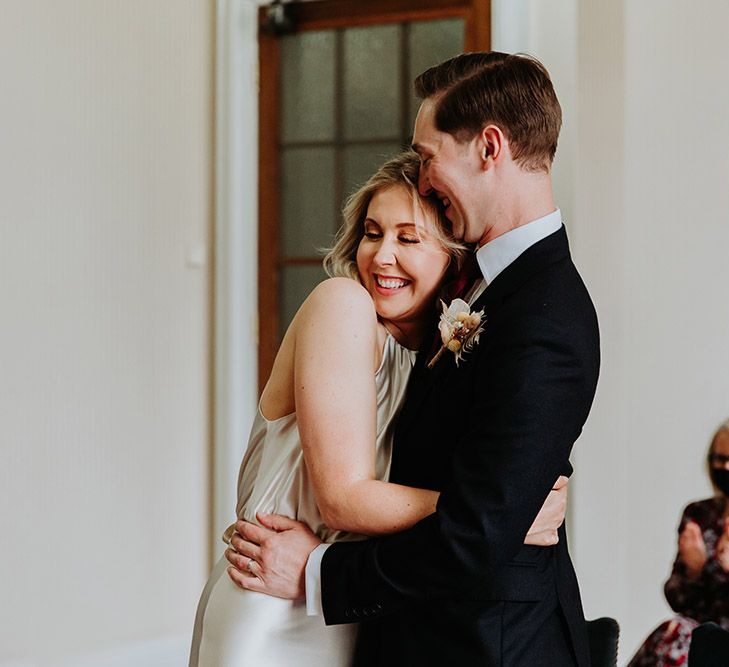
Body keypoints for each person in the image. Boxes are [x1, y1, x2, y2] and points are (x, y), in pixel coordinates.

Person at [227, 51, 600, 666]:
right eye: (377, 233)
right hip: (390, 626)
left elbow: (475, 536)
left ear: (489, 147)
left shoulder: (546, 313)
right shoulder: (467, 289)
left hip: (489, 647)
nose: (423, 180)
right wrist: (509, 513)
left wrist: (320, 571)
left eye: (428, 157)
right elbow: (477, 509)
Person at [628, 420, 729, 666]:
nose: (725, 466)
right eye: (719, 458)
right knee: (675, 632)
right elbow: (676, 598)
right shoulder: (699, 515)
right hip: (699, 636)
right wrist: (694, 572)